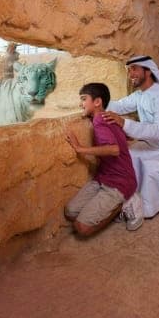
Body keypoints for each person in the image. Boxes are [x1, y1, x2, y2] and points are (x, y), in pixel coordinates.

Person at [103, 56, 159, 219]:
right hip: (152, 145)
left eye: (134, 69)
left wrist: (124, 124)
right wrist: (97, 101)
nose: (131, 74)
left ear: (148, 71)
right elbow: (119, 106)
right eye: (129, 70)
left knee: (152, 168)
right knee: (126, 156)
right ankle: (129, 198)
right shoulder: (140, 95)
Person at [65, 83, 138, 236]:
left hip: (120, 182)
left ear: (97, 102)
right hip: (102, 178)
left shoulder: (99, 120)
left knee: (81, 228)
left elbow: (114, 149)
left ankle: (123, 205)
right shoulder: (107, 117)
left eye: (84, 99)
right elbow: (127, 138)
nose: (81, 104)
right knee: (70, 212)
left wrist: (80, 148)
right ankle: (109, 205)